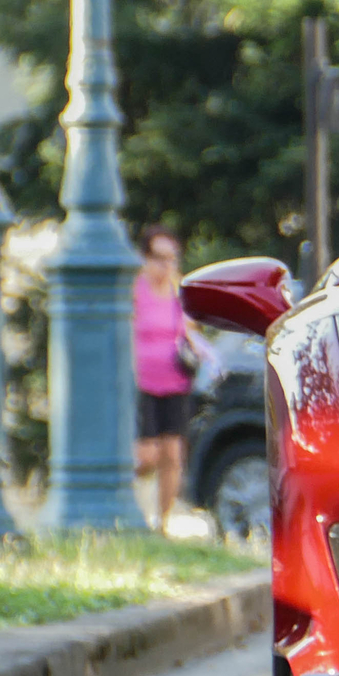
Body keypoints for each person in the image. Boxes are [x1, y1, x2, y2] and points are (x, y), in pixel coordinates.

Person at [132, 226, 209, 534]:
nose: (165, 265)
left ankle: (161, 524)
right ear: (145, 258)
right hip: (143, 383)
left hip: (176, 382)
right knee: (148, 456)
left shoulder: (180, 293)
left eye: (171, 258)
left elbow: (190, 332)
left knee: (173, 455)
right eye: (158, 258)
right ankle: (125, 500)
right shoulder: (134, 291)